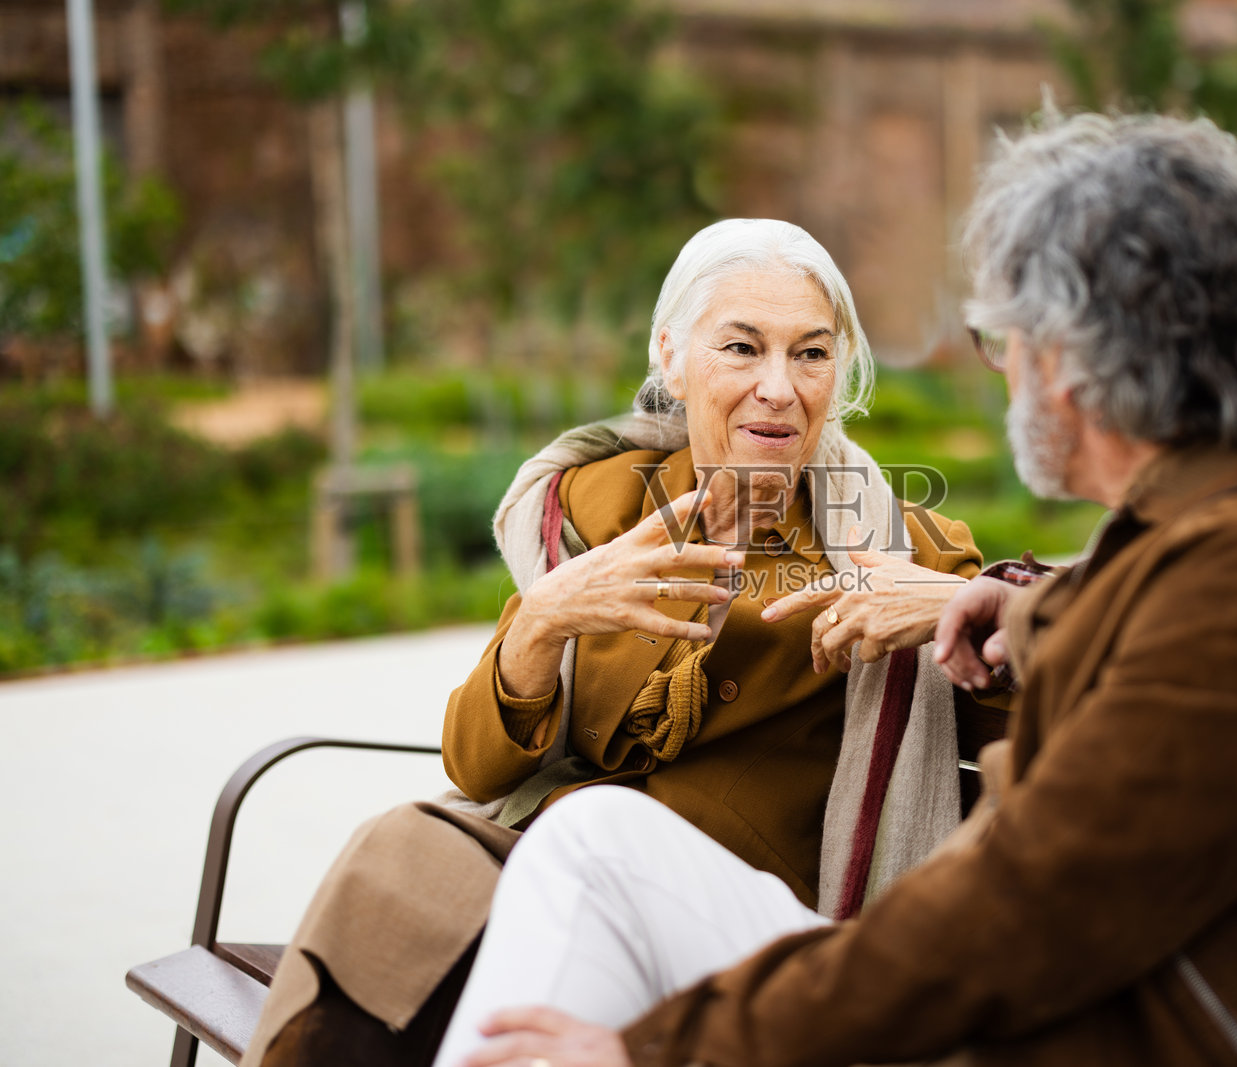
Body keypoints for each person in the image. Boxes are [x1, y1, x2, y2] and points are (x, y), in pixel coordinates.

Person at [427, 112, 1237, 1067]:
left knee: (591, 851)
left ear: (1084, 358)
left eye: (1004, 341)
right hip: (1052, 1008)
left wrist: (660, 1047)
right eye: (741, 345)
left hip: (1070, 1034)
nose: (1005, 376)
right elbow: (1152, 649)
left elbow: (1011, 910)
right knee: (585, 842)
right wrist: (1021, 608)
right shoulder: (1236, 525)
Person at [241, 218, 990, 1067]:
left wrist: (963, 604)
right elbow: (475, 768)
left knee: (571, 859)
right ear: (672, 357)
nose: (779, 387)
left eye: (811, 353)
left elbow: (1046, 703)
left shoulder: (909, 552)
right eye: (742, 348)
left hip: (736, 934)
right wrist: (542, 619)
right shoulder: (600, 504)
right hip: (550, 861)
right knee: (400, 848)